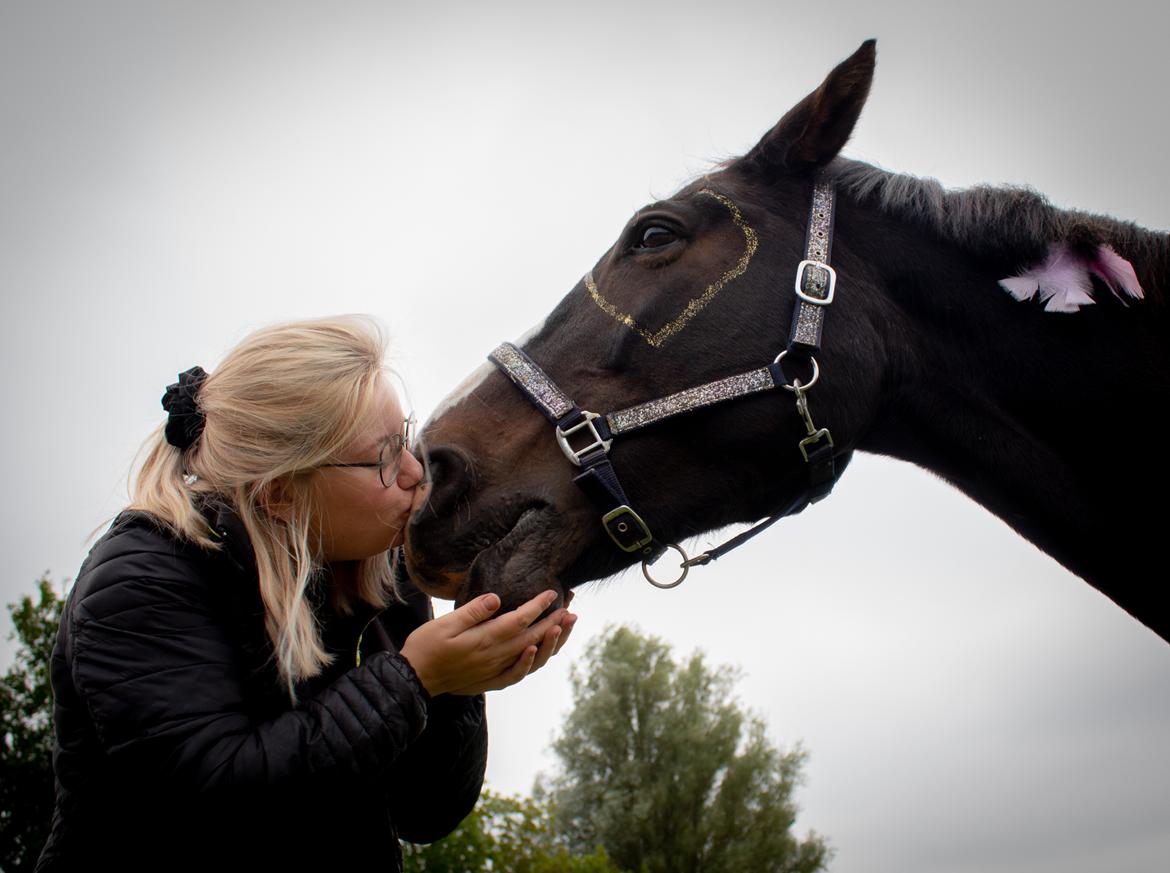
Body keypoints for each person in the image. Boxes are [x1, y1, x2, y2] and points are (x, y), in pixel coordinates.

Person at [35, 316, 576, 872]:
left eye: (406, 437)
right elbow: (217, 805)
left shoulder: (378, 566)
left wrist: (460, 681)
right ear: (279, 494)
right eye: (385, 457)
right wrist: (414, 679)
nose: (416, 472)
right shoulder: (141, 581)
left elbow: (423, 812)